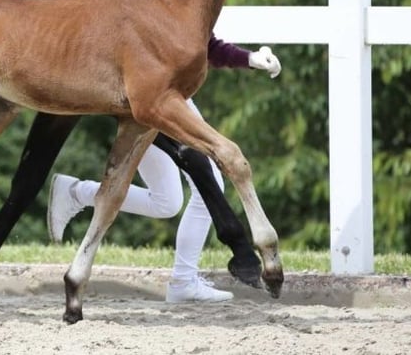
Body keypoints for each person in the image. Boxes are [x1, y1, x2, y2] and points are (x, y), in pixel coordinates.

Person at [46, 35, 281, 303]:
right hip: (156, 96)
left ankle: (77, 192)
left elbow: (201, 41)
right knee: (210, 181)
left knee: (167, 203)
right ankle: (183, 281)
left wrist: (249, 59)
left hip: (162, 93)